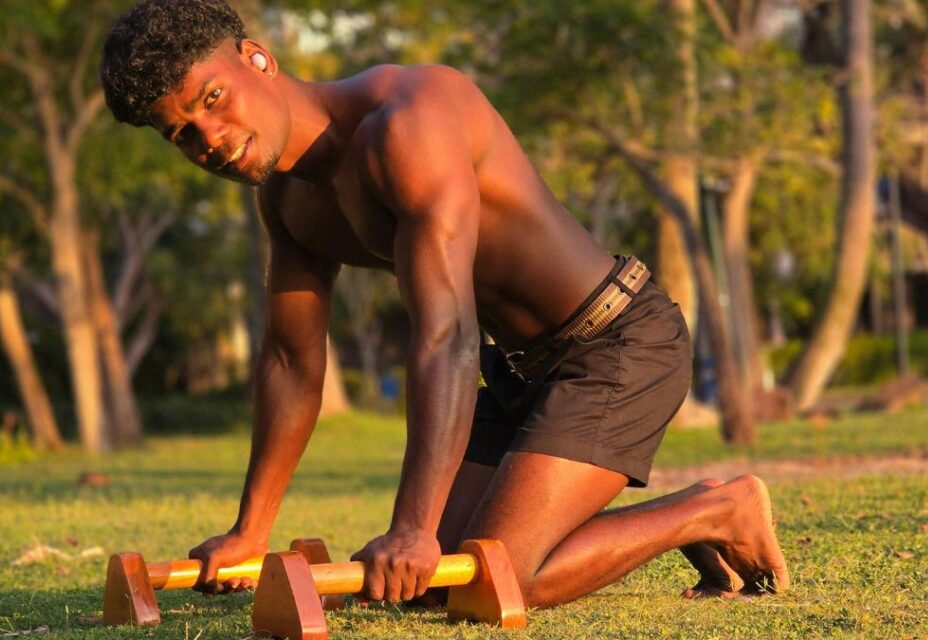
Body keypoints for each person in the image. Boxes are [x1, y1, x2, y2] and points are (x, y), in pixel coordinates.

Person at [101, 0, 789, 608]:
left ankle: (716, 510)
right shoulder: (288, 201)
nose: (210, 139)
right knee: (436, 586)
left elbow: (444, 333)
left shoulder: (408, 122)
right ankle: (675, 517)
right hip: (514, 373)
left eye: (214, 99)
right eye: (182, 134)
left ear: (258, 59)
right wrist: (250, 531)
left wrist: (413, 526)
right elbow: (290, 359)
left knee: (496, 578)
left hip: (613, 344)